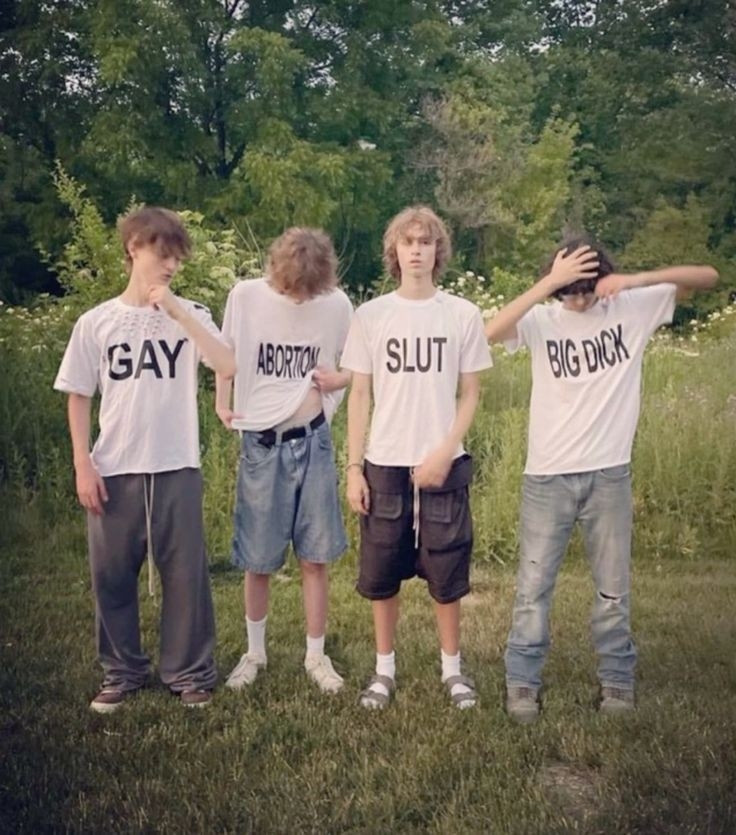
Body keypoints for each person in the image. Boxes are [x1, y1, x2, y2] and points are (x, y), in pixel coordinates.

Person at [484, 239, 718, 722]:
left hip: (609, 472)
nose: (577, 301)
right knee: (533, 588)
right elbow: (489, 332)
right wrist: (549, 282)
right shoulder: (542, 318)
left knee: (613, 589)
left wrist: (631, 282)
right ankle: (522, 684)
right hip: (547, 475)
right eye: (568, 292)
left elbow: (708, 277)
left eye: (584, 291)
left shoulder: (631, 308)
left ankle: (617, 682)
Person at [54, 206, 236, 712]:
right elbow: (78, 393)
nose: (171, 265)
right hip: (114, 465)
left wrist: (176, 311)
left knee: (185, 574)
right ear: (134, 248)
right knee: (111, 574)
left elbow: (227, 363)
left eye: (177, 257)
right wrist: (81, 463)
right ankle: (122, 670)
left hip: (176, 463)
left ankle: (189, 672)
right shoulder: (97, 322)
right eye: (162, 253)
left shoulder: (191, 315)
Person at [341, 206, 492, 709]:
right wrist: (354, 467)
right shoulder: (371, 316)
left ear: (438, 251)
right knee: (382, 574)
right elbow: (359, 395)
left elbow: (470, 393)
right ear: (395, 252)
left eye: (426, 242)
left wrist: (445, 450)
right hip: (384, 462)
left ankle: (453, 670)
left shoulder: (462, 314)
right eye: (408, 242)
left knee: (446, 574)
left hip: (442, 464)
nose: (417, 250)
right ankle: (384, 670)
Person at [216, 227, 352, 694]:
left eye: (305, 291)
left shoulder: (337, 305)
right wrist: (222, 400)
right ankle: (254, 652)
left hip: (313, 440)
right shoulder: (246, 296)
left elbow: (355, 366)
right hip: (261, 442)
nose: (296, 298)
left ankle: (316, 654)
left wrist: (338, 381)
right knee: (258, 556)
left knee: (315, 555)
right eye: (289, 288)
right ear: (275, 272)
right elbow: (226, 354)